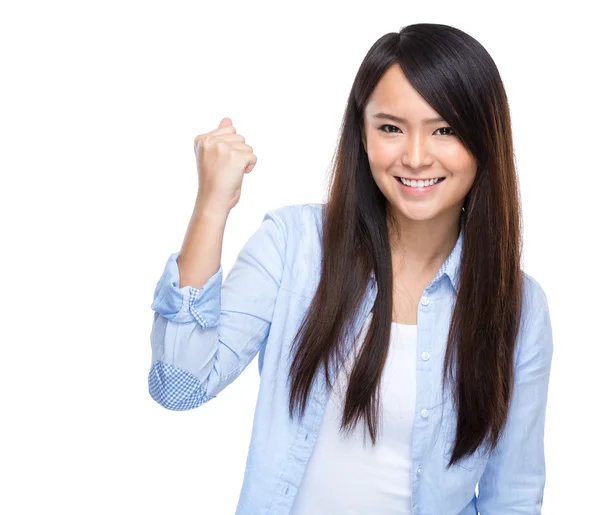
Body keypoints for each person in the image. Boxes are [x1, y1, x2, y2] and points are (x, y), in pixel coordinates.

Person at [148, 22, 553, 514]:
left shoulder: (519, 310)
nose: (417, 156)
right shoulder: (295, 246)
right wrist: (211, 205)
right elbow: (179, 384)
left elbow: (512, 497)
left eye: (445, 129)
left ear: (485, 139)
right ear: (362, 135)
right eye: (391, 128)